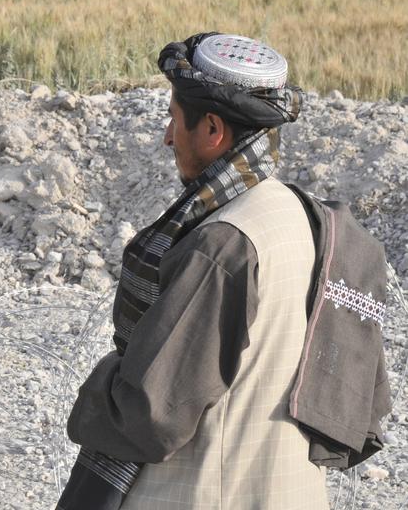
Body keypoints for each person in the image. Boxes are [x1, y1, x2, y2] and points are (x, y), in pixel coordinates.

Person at [61, 33, 329, 509]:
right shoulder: (300, 213)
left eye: (172, 118)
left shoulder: (219, 243)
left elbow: (149, 412)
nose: (167, 135)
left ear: (211, 128)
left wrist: (99, 388)